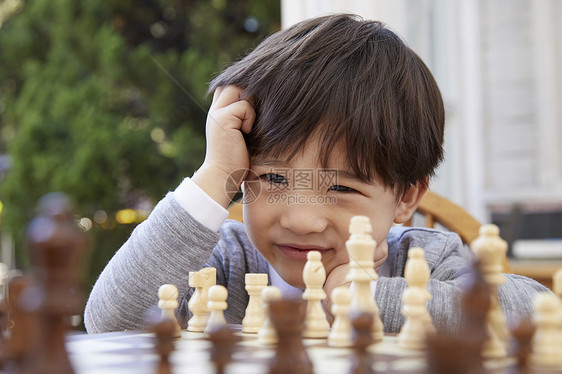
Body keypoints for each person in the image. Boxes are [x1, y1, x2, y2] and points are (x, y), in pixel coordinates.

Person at [84, 14, 547, 334]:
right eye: (274, 179)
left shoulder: (423, 262)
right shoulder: (227, 266)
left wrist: (368, 297)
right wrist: (215, 173)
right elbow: (111, 319)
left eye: (342, 186)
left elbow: (537, 311)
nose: (302, 219)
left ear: (406, 198)